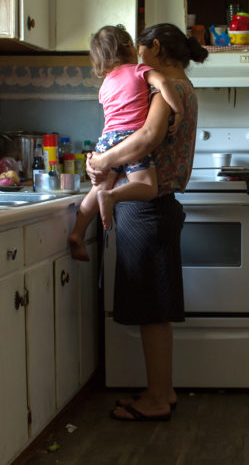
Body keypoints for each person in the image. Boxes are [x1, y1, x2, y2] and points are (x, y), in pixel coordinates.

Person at [85, 23, 208, 421]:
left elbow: (147, 138)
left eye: (141, 51)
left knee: (152, 310)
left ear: (154, 47)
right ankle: (162, 390)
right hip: (158, 204)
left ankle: (156, 400)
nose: (136, 59)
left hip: (148, 207)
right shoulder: (181, 85)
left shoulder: (162, 87)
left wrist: (102, 161)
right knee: (156, 306)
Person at [68, 24, 185, 261]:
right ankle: (112, 197)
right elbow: (164, 83)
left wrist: (101, 158)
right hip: (130, 138)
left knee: (98, 186)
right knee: (148, 187)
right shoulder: (139, 70)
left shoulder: (105, 85)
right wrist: (178, 109)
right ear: (129, 47)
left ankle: (77, 233)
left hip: (107, 140)